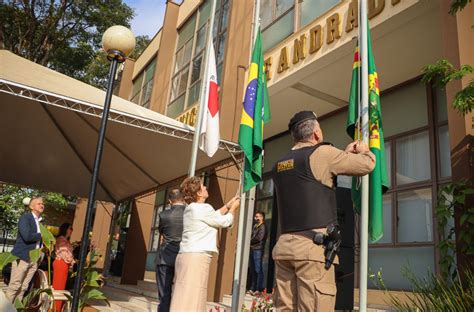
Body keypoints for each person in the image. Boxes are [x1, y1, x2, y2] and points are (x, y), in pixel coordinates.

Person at [271, 111, 376, 311]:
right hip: (312, 249)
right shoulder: (323, 153)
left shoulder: (279, 164)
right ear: (317, 133)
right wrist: (364, 149)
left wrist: (341, 156)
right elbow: (367, 164)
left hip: (284, 249)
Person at [169, 177, 239, 312]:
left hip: (186, 257)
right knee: (193, 299)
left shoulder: (192, 208)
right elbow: (223, 222)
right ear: (199, 193)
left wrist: (227, 205)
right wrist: (233, 209)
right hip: (197, 258)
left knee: (183, 297)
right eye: (203, 186)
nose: (206, 188)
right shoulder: (203, 208)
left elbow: (212, 216)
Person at [5, 197, 44, 303]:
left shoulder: (40, 223)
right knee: (14, 286)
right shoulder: (25, 218)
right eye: (39, 203)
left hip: (34, 259)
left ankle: (15, 309)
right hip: (22, 257)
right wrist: (42, 235)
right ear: (32, 206)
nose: (42, 205)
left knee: (24, 288)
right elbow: (26, 236)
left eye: (43, 204)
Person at [155, 189, 186, 312]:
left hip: (165, 258)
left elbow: (161, 231)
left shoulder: (164, 215)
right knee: (181, 292)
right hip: (183, 258)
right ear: (183, 199)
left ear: (169, 201)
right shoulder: (189, 213)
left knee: (164, 294)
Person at [52, 223, 74, 312]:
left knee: (60, 287)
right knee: (59, 288)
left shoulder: (65, 240)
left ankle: (57, 308)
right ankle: (56, 309)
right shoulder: (62, 240)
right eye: (70, 228)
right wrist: (72, 260)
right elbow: (65, 254)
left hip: (63, 264)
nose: (71, 230)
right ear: (65, 229)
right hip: (61, 263)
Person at [248, 211, 267, 295]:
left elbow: (259, 238)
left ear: (262, 217)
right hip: (252, 249)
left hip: (258, 249)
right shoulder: (255, 226)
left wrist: (249, 241)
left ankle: (259, 289)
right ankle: (253, 288)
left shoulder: (263, 227)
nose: (256, 218)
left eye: (257, 217)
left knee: (258, 269)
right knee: (253, 269)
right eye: (255, 217)